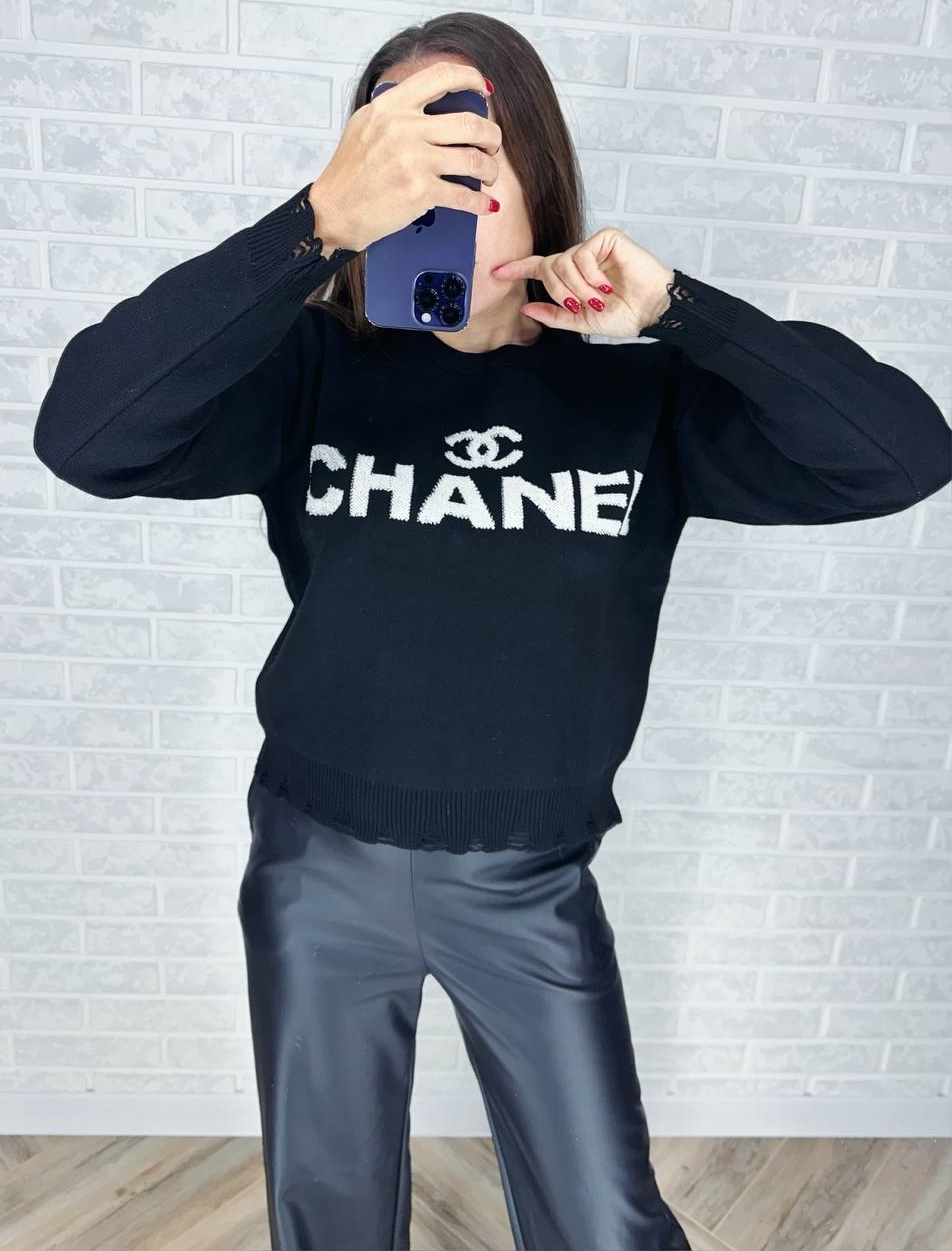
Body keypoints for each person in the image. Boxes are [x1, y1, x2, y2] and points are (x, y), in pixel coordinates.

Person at [31, 12, 951, 1251]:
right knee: (327, 1213)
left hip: (527, 880)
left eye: (467, 148)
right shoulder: (309, 365)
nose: (437, 184)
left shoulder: (640, 392)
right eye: (401, 153)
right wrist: (309, 227)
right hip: (314, 862)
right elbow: (84, 436)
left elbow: (902, 456)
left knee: (603, 1225)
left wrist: (680, 309)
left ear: (536, 172)